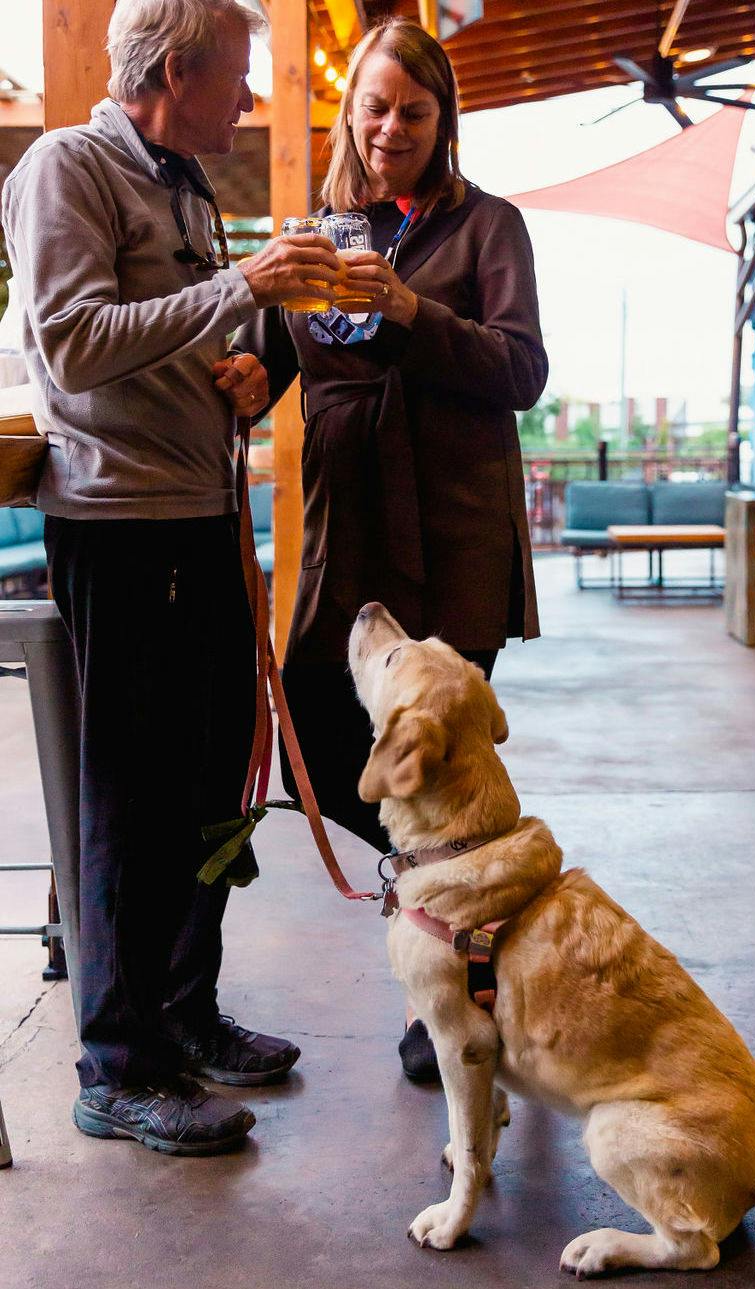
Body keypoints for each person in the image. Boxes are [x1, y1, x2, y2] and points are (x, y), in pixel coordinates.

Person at [1, 0, 347, 1155]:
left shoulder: (184, 185)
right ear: (178, 68)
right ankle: (117, 1059)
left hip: (200, 512)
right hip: (118, 522)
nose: (248, 100)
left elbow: (172, 335)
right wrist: (242, 290)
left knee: (211, 775)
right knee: (130, 791)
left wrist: (241, 372)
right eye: (237, 76)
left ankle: (184, 1010)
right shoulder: (68, 167)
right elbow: (74, 342)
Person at [229, 17, 547, 1082]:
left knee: (448, 773)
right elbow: (263, 360)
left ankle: (453, 989)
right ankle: (447, 913)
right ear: (346, 113)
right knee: (322, 745)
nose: (389, 126)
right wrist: (234, 379)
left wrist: (412, 310)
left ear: (442, 119)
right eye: (373, 105)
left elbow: (522, 371)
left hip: (453, 529)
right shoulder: (317, 235)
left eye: (413, 109)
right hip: (348, 524)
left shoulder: (488, 227)